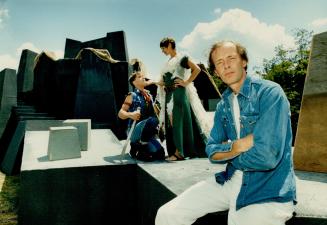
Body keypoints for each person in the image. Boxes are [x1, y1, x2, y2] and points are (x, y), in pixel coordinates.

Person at [155, 41, 296, 225]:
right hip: (230, 180)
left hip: (268, 188)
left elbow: (267, 157)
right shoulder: (224, 104)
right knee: (167, 214)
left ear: (244, 62)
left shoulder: (269, 93)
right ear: (215, 72)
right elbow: (212, 151)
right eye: (219, 62)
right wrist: (237, 146)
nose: (226, 65)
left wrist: (228, 153)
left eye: (231, 58)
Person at [158, 37, 203, 161]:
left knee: (177, 121)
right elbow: (163, 81)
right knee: (171, 123)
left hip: (178, 93)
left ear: (170, 45)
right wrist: (152, 82)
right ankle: (174, 151)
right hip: (169, 95)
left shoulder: (182, 58)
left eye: (164, 48)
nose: (162, 51)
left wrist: (186, 82)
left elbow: (197, 69)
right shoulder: (167, 62)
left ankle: (179, 153)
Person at [118, 70, 165, 161]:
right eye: (139, 77)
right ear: (134, 82)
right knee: (153, 120)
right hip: (135, 130)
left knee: (160, 154)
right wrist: (131, 114)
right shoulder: (132, 95)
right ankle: (139, 147)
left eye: (143, 76)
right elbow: (121, 113)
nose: (143, 78)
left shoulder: (149, 96)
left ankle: (137, 148)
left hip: (147, 133)